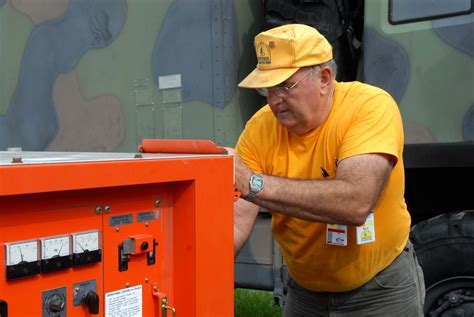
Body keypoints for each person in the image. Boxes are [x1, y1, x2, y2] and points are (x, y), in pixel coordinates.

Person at [230, 24, 425, 316]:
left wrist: (253, 184)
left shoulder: (369, 107)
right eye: (267, 89)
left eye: (285, 86)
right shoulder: (260, 129)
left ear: (324, 78)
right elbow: (234, 224)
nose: (274, 100)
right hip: (305, 293)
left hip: (380, 291)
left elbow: (355, 202)